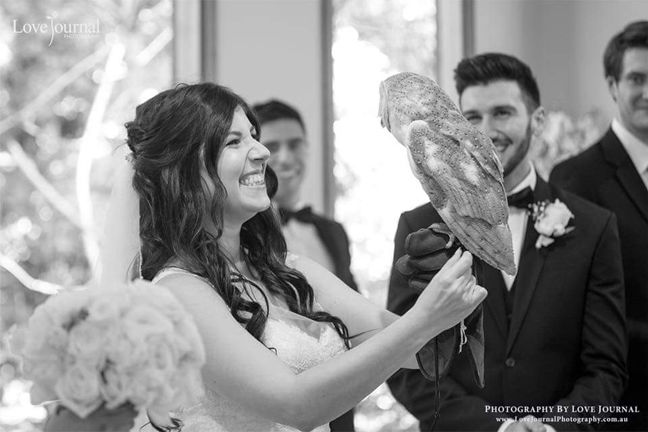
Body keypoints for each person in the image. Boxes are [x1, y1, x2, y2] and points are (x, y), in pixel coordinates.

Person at [104, 82, 485, 432]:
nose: (263, 151)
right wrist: (423, 320)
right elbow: (294, 404)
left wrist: (448, 289)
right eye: (234, 142)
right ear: (185, 173)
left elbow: (414, 351)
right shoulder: (179, 294)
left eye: (253, 135)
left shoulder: (293, 273)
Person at [387, 53, 627, 432]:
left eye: (502, 113)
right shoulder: (419, 227)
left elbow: (606, 368)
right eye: (472, 118)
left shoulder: (594, 228)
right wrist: (495, 429)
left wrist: (552, 428)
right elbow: (403, 362)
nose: (485, 132)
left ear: (538, 121)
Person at [550, 21, 648, 431]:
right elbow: (570, 307)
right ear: (612, 85)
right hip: (623, 405)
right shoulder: (575, 178)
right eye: (637, 78)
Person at [252, 99, 357, 432]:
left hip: (339, 408)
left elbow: (355, 321)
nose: (285, 157)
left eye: (295, 144)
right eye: (272, 147)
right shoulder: (236, 238)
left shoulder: (332, 233)